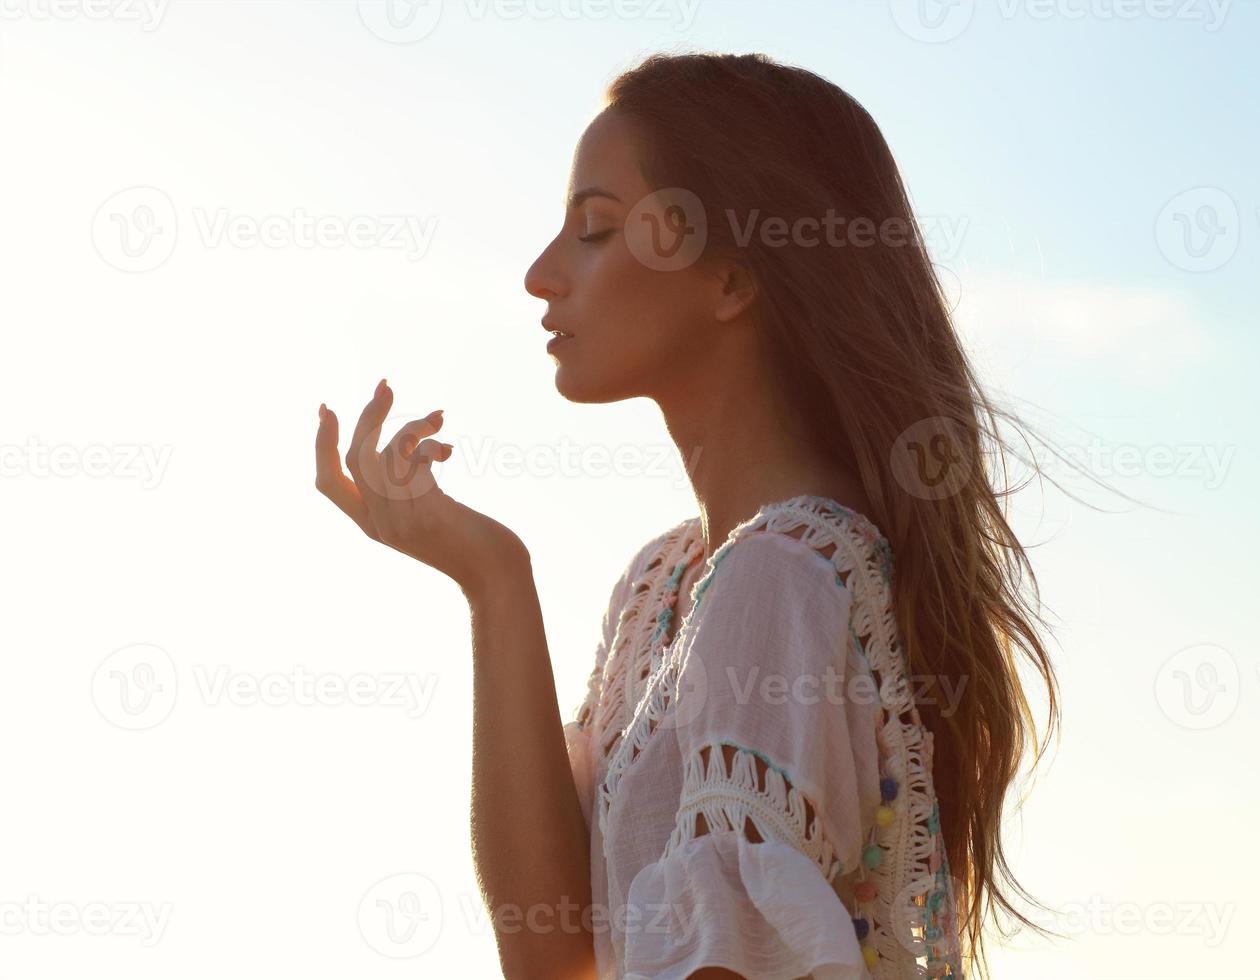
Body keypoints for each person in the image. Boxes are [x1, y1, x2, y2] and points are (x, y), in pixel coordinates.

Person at [315, 51, 1059, 980]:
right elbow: (551, 950)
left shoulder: (779, 574)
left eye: (594, 228)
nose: (541, 275)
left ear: (732, 280)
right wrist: (493, 581)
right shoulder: (664, 582)